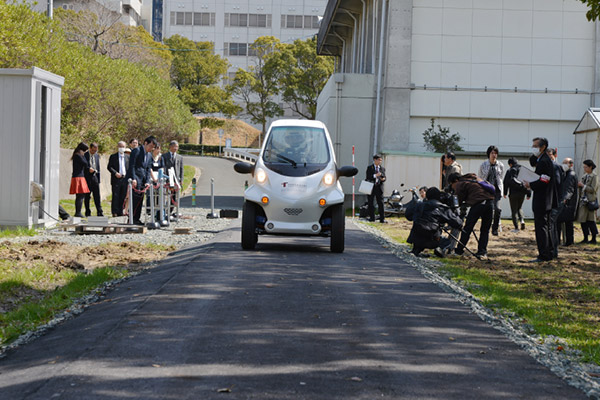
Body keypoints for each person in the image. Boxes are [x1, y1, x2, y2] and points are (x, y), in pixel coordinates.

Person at [522, 137, 559, 261]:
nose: (533, 148)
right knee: (547, 226)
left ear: (542, 147)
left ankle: (543, 254)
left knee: (541, 226)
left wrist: (530, 185)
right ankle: (549, 252)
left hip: (542, 199)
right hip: (546, 199)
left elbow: (544, 180)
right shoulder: (544, 159)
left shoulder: (544, 161)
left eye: (535, 146)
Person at [448, 172, 495, 260]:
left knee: (467, 228)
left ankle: (459, 251)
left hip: (479, 204)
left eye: (452, 185)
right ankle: (482, 252)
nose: (452, 187)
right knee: (485, 230)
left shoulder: (460, 183)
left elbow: (458, 200)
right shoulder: (474, 179)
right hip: (490, 203)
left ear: (455, 181)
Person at [405, 187, 463, 257]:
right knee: (446, 242)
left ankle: (416, 250)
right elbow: (458, 223)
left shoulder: (419, 205)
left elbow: (408, 216)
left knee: (421, 229)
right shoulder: (442, 208)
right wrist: (455, 211)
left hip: (415, 238)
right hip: (432, 240)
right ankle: (439, 249)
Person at [126, 136, 157, 225]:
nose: (151, 149)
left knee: (140, 200)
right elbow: (132, 165)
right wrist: (133, 178)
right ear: (145, 143)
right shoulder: (137, 151)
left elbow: (148, 168)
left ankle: (137, 218)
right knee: (134, 199)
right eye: (150, 146)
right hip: (136, 178)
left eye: (153, 147)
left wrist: (147, 180)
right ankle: (131, 218)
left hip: (143, 180)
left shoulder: (149, 155)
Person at [478, 145, 504, 235]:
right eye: (492, 153)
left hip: (496, 190)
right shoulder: (483, 165)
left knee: (497, 209)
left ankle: (495, 228)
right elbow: (480, 177)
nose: (494, 155)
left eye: (495, 153)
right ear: (488, 154)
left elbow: (501, 178)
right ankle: (486, 227)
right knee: (487, 209)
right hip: (486, 190)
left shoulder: (500, 165)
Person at [502, 158, 531, 232]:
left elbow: (505, 182)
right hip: (522, 193)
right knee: (519, 207)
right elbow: (528, 181)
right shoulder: (523, 170)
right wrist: (528, 193)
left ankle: (516, 228)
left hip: (513, 193)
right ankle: (522, 221)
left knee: (514, 211)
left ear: (510, 164)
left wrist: (505, 193)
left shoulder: (509, 171)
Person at [576, 159, 598, 244]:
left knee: (591, 220)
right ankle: (585, 237)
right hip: (583, 201)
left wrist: (583, 186)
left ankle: (593, 238)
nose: (584, 168)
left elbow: (593, 189)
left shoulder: (594, 177)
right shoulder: (584, 176)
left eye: (586, 167)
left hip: (590, 201)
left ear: (590, 167)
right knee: (583, 220)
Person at [558, 158, 578, 246]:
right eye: (563, 162)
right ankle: (567, 241)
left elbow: (569, 189)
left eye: (566, 163)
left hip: (568, 202)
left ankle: (568, 241)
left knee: (566, 222)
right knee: (567, 222)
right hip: (567, 201)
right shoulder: (566, 173)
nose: (564, 164)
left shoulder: (571, 174)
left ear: (571, 164)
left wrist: (564, 199)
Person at [107, 141, 130, 217]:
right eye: (120, 147)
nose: (121, 148)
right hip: (116, 179)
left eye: (123, 147)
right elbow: (109, 167)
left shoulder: (128, 157)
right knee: (115, 195)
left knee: (123, 195)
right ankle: (114, 211)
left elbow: (129, 167)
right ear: (117, 147)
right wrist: (115, 173)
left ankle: (120, 211)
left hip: (125, 178)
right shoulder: (113, 156)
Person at [162, 140, 184, 217]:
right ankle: (163, 211)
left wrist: (181, 179)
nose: (175, 148)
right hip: (167, 179)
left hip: (176, 180)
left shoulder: (180, 157)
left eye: (177, 147)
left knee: (174, 196)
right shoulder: (164, 156)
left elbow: (181, 169)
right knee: (165, 195)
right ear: (170, 147)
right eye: (174, 146)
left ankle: (170, 211)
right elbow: (163, 167)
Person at [69, 142, 90, 218]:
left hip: (79, 176)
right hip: (78, 177)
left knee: (80, 195)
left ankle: (78, 212)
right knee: (80, 195)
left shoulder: (77, 155)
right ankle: (78, 212)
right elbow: (85, 163)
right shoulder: (78, 156)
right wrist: (83, 155)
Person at [84, 143, 103, 217]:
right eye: (93, 150)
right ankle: (87, 212)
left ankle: (99, 211)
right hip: (87, 177)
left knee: (97, 196)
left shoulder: (96, 156)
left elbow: (98, 167)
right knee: (87, 196)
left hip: (95, 177)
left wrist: (98, 179)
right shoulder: (85, 155)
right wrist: (88, 169)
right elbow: (83, 166)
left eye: (96, 150)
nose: (94, 151)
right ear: (90, 148)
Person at [365, 154, 387, 223]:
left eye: (381, 160)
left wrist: (383, 178)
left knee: (380, 203)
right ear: (375, 160)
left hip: (379, 187)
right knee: (370, 202)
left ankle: (382, 218)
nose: (380, 162)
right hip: (371, 187)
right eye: (379, 160)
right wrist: (375, 175)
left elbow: (384, 177)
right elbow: (368, 177)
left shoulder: (382, 168)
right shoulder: (370, 168)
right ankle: (372, 217)